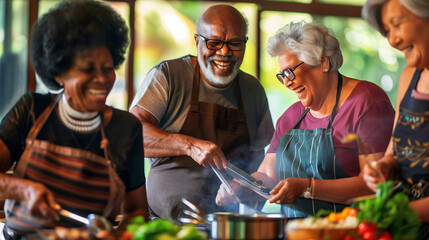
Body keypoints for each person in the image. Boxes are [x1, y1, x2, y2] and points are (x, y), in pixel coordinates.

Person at [0, 0, 149, 238]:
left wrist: (120, 235)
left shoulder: (126, 127)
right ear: (59, 73)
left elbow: (137, 210)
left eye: (108, 67)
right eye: (88, 69)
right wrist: (23, 189)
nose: (102, 79)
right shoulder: (31, 110)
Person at [216, 21, 395, 218]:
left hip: (351, 231)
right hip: (296, 231)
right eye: (281, 75)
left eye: (289, 72)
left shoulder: (366, 102)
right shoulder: (290, 117)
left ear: (323, 63)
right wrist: (241, 187)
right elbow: (267, 176)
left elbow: (377, 184)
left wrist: (307, 187)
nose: (286, 82)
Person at [129, 5, 274, 222]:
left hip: (228, 226)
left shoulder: (253, 90)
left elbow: (260, 159)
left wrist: (246, 188)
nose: (224, 52)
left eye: (235, 44)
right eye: (214, 42)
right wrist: (189, 145)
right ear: (197, 41)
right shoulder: (169, 76)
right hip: (166, 226)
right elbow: (130, 136)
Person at [361, 0, 429, 237]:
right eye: (387, 31)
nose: (393, 40)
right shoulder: (409, 76)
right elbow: (396, 150)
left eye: (397, 24)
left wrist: (397, 213)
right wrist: (385, 166)